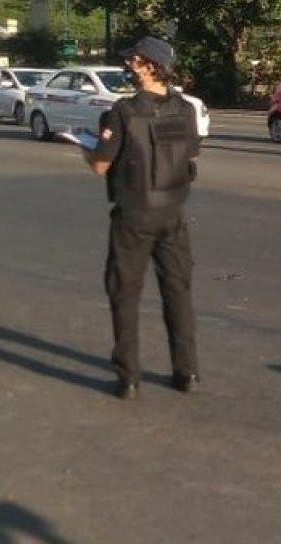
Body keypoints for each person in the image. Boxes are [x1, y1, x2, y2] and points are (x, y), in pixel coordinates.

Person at [85, 37, 202, 400]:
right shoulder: (185, 110)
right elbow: (191, 155)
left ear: (149, 65)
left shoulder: (122, 112)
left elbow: (101, 164)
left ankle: (128, 377)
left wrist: (87, 151)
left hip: (134, 214)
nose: (129, 66)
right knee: (177, 293)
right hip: (174, 213)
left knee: (125, 294)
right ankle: (187, 372)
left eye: (134, 61)